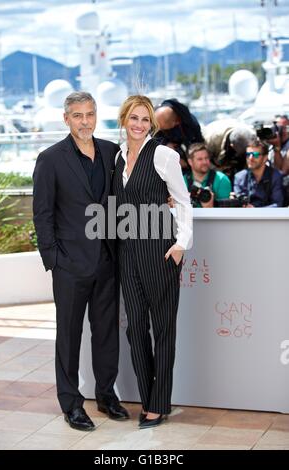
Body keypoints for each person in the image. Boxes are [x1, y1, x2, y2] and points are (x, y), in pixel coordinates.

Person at [33, 91, 129, 432]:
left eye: (89, 114)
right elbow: (42, 214)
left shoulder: (110, 151)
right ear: (66, 119)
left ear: (96, 115)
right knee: (69, 336)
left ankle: (106, 395)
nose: (84, 121)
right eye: (77, 115)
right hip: (70, 265)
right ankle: (71, 404)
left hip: (107, 259)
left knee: (106, 333)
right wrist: (54, 260)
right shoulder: (50, 158)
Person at [112, 95, 193, 429]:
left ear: (152, 125)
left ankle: (159, 404)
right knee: (134, 330)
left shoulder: (163, 155)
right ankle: (149, 398)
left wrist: (181, 244)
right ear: (124, 120)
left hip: (160, 252)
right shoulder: (118, 158)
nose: (140, 125)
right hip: (127, 254)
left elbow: (184, 202)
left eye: (146, 120)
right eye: (134, 118)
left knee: (163, 330)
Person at [154, 98, 203, 172]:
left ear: (174, 124)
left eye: (161, 128)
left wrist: (187, 162)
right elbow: (152, 136)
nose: (158, 129)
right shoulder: (157, 117)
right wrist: (165, 144)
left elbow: (198, 146)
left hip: (186, 157)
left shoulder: (192, 125)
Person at [233, 138, 284, 207]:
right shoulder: (239, 177)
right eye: (248, 154)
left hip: (269, 217)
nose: (250, 158)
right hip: (245, 216)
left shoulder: (275, 176)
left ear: (265, 158)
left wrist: (256, 211)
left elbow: (278, 204)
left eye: (255, 154)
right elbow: (239, 202)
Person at [203, 119, 255, 183]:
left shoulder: (251, 135)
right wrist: (220, 172)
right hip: (216, 160)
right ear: (232, 145)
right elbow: (205, 162)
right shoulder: (210, 139)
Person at [184, 143, 232, 207]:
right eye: (200, 159)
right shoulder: (182, 181)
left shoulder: (221, 179)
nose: (205, 162)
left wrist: (209, 207)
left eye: (206, 158)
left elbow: (226, 212)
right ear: (190, 162)